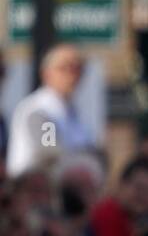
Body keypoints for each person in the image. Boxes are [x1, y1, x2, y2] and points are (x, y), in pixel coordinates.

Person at [6, 44, 96, 177]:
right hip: (35, 191)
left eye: (78, 68)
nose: (72, 75)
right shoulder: (41, 109)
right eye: (64, 68)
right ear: (46, 73)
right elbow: (49, 153)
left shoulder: (72, 113)